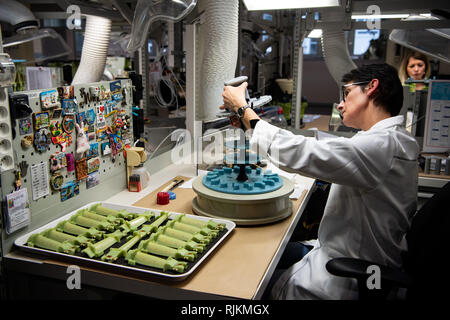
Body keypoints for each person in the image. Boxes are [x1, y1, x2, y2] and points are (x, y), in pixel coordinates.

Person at [220, 63, 419, 299]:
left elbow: (304, 151)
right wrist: (248, 123)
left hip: (349, 274)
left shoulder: (381, 146)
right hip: (343, 252)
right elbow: (333, 158)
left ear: (371, 87)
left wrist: (243, 109)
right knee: (258, 251)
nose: (341, 104)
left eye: (346, 93)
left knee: (243, 285)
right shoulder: (390, 140)